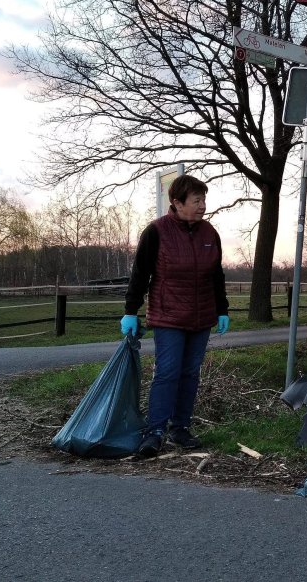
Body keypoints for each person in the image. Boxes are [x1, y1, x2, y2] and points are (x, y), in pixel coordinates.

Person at [121, 174, 230, 458]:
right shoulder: (156, 232)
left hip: (202, 316)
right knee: (167, 373)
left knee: (190, 374)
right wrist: (130, 311)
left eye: (204, 199)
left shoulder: (210, 233)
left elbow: (216, 275)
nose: (203, 205)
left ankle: (180, 428)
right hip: (168, 316)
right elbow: (140, 274)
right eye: (196, 200)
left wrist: (222, 309)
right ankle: (154, 432)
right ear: (177, 202)